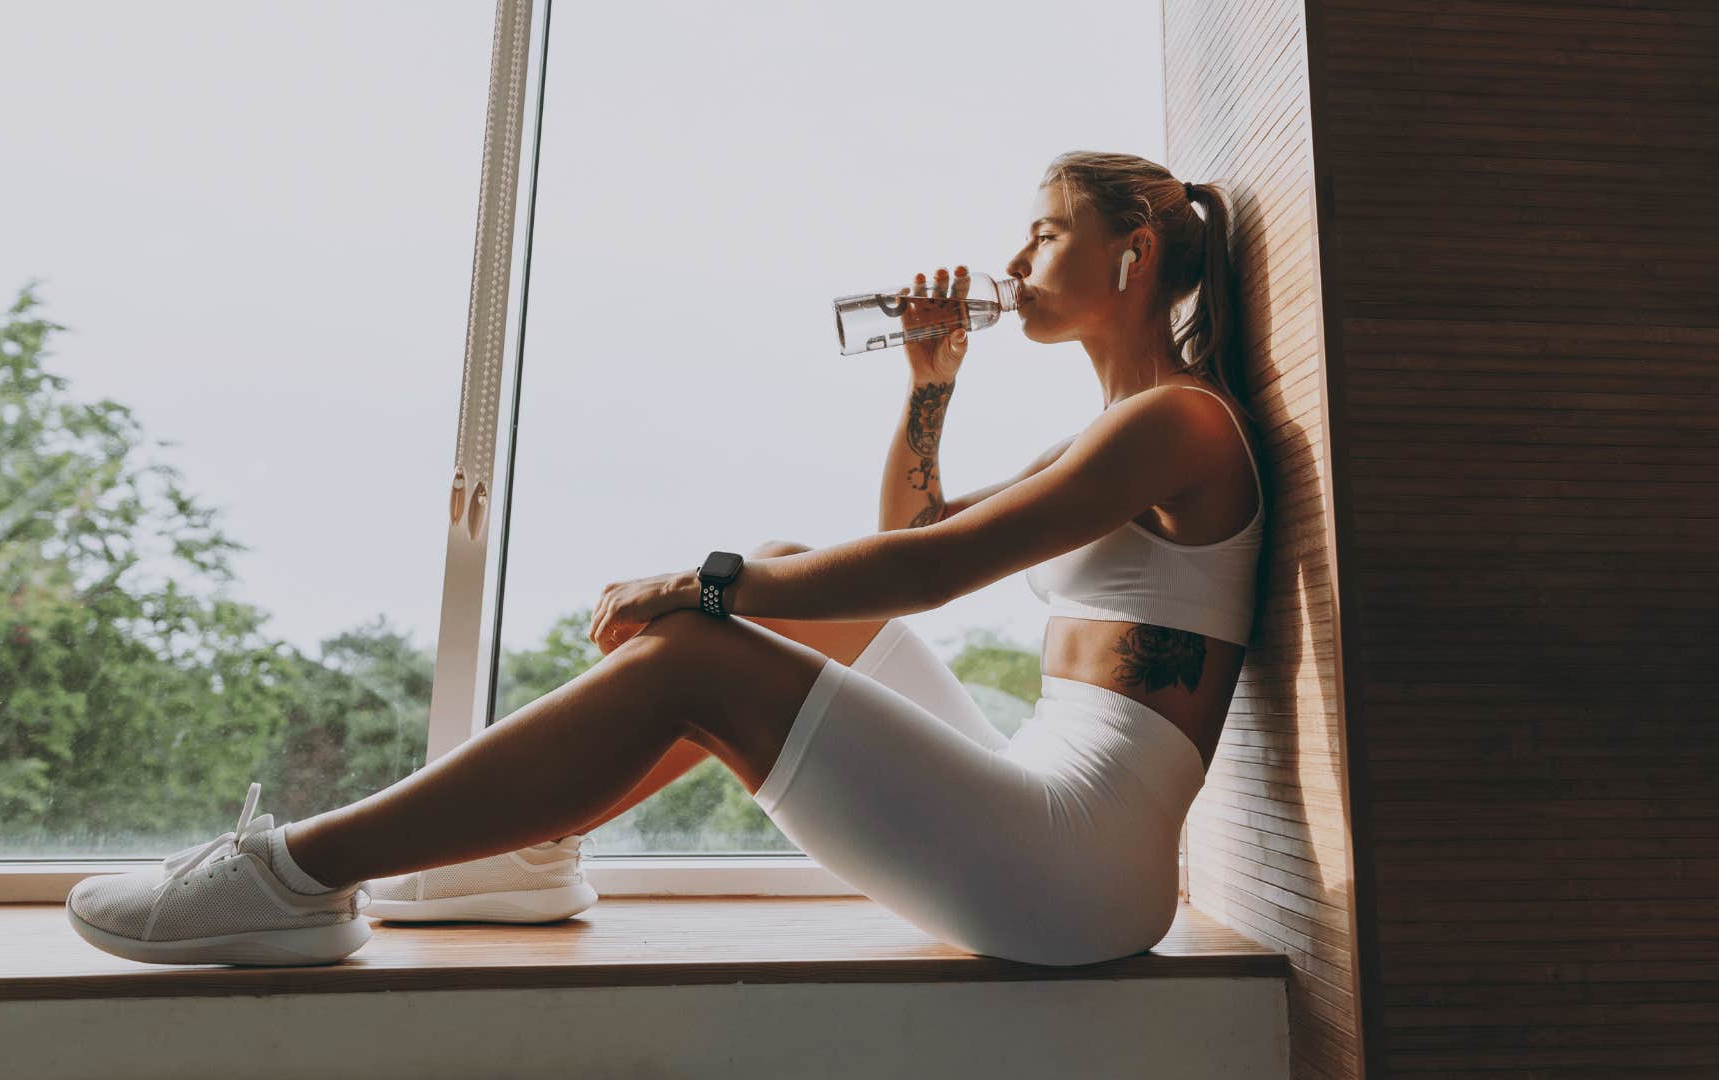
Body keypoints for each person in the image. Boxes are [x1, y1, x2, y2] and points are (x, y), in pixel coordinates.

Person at [65, 150, 1264, 969]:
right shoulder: (1121, 431)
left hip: (1078, 869)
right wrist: (930, 383)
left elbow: (930, 570)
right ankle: (532, 853)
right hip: (1049, 808)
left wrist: (703, 584)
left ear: (1134, 254)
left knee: (702, 650)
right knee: (797, 571)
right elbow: (909, 535)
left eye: (1047, 231)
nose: (1015, 257)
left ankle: (294, 878)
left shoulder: (1181, 424)